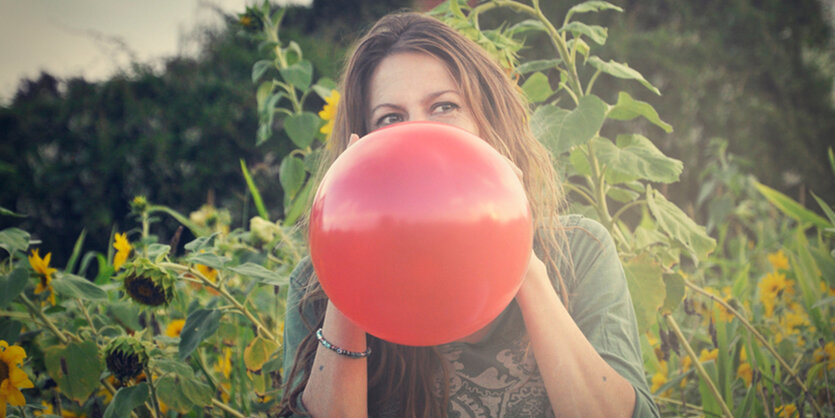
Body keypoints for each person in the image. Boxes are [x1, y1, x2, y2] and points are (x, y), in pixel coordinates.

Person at [277, 11, 659, 418]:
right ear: (360, 147)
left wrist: (517, 251)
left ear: (488, 126)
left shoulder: (580, 251)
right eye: (391, 118)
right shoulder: (316, 286)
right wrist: (349, 274)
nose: (419, 136)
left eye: (443, 107)